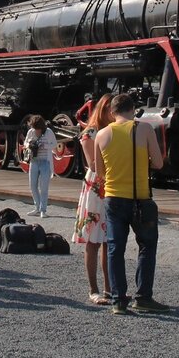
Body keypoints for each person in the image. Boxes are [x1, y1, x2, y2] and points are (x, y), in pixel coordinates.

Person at [95, 92, 169, 314]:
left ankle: (118, 300)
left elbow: (100, 173)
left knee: (115, 248)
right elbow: (158, 163)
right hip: (141, 199)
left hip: (113, 198)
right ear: (133, 109)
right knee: (146, 246)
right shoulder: (144, 129)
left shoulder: (101, 134)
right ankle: (143, 297)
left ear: (112, 112)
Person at [73, 94, 114, 305]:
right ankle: (94, 288)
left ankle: (109, 287)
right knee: (93, 239)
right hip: (97, 186)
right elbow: (93, 164)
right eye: (111, 110)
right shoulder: (90, 133)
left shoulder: (114, 131)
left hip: (111, 184)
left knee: (108, 240)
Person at [24, 114, 56, 218]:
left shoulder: (48, 132)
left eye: (38, 129)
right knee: (32, 185)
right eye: (34, 128)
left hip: (45, 162)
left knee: (44, 187)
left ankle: (43, 210)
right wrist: (30, 144)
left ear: (42, 128)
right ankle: (37, 207)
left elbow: (54, 145)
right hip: (34, 161)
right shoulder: (31, 132)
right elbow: (25, 143)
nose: (36, 131)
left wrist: (44, 146)